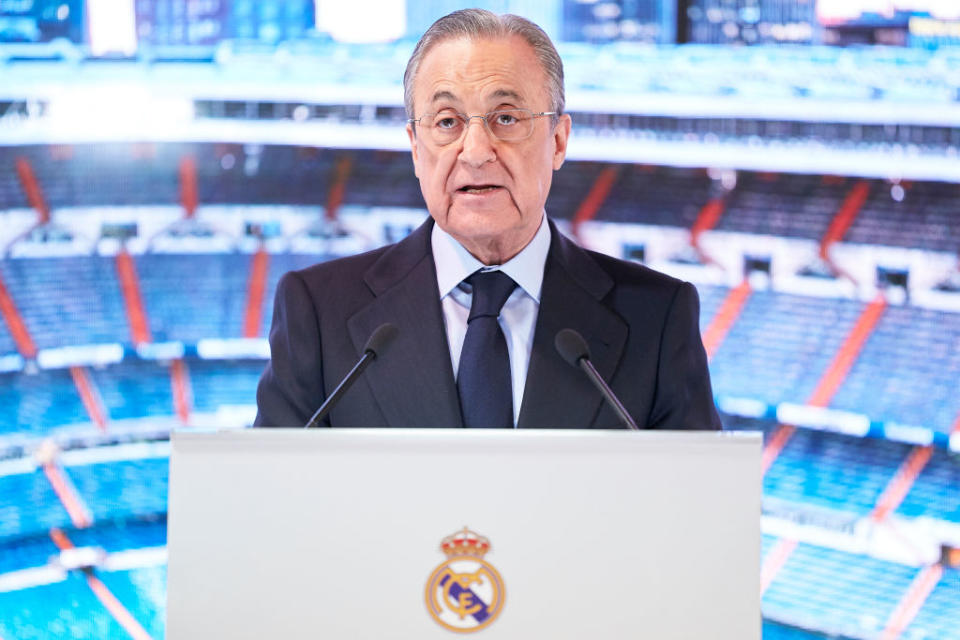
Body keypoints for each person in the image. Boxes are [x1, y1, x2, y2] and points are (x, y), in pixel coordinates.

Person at [255, 9, 721, 430]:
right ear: (416, 148)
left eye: (506, 118)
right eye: (446, 122)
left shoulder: (657, 318)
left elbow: (697, 511)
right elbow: (274, 504)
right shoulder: (317, 312)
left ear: (558, 141)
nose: (475, 153)